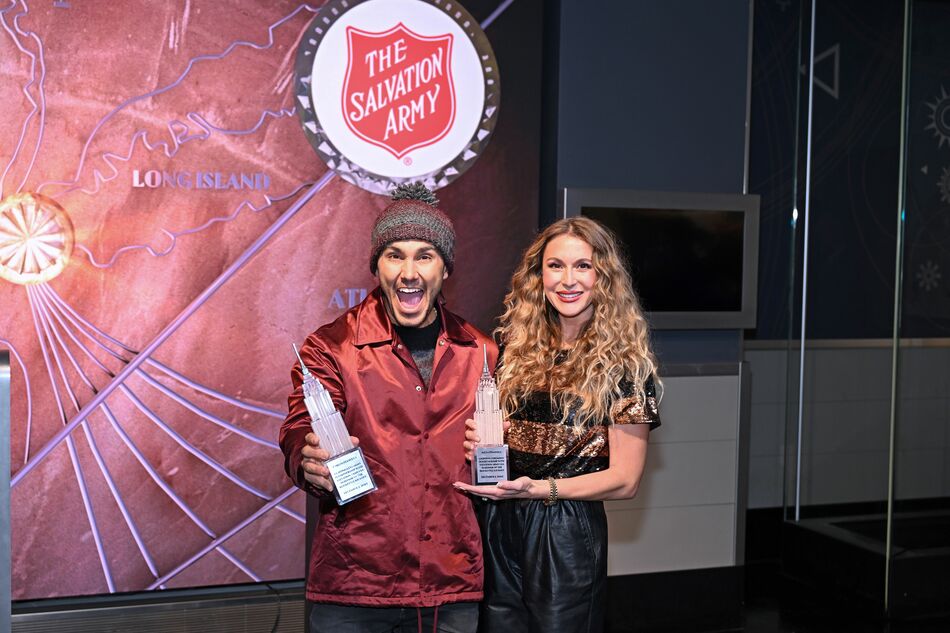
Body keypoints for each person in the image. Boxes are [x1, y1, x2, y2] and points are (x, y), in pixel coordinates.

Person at [281, 183, 497, 633]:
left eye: (425, 255)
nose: (409, 271)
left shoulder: (480, 352)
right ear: (377, 266)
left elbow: (494, 462)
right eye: (395, 254)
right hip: (354, 584)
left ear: (445, 268)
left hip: (449, 584)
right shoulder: (330, 347)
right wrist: (307, 456)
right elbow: (301, 427)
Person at [454, 216, 661, 633]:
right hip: (501, 518)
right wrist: (492, 440)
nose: (568, 280)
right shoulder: (515, 348)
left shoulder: (624, 364)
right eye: (555, 266)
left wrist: (541, 488)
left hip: (565, 527)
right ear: (539, 275)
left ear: (604, 276)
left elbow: (625, 480)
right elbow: (527, 434)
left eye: (583, 266)